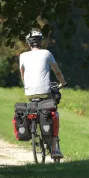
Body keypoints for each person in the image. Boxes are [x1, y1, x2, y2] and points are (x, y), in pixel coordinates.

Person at [19, 30, 66, 159]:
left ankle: (36, 129)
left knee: (34, 107)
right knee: (53, 113)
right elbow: (57, 72)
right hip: (45, 92)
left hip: (29, 92)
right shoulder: (46, 53)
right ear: (41, 42)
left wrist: (27, 86)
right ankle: (55, 148)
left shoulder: (22, 56)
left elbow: (22, 74)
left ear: (29, 43)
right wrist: (62, 83)